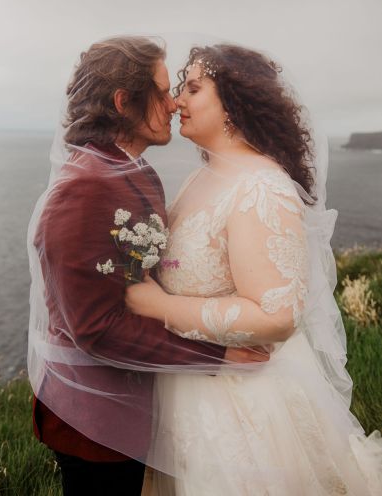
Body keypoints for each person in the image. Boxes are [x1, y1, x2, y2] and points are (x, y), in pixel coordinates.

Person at [126, 44, 382, 495]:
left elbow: (276, 316)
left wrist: (163, 306)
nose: (176, 101)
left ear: (233, 104)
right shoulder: (203, 176)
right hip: (192, 390)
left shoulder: (261, 187)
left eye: (193, 89)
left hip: (245, 407)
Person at [27, 36, 266, 496]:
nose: (174, 101)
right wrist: (218, 355)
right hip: (94, 421)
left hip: (137, 397)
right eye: (161, 91)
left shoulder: (134, 170)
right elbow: (96, 330)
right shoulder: (83, 190)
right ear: (123, 101)